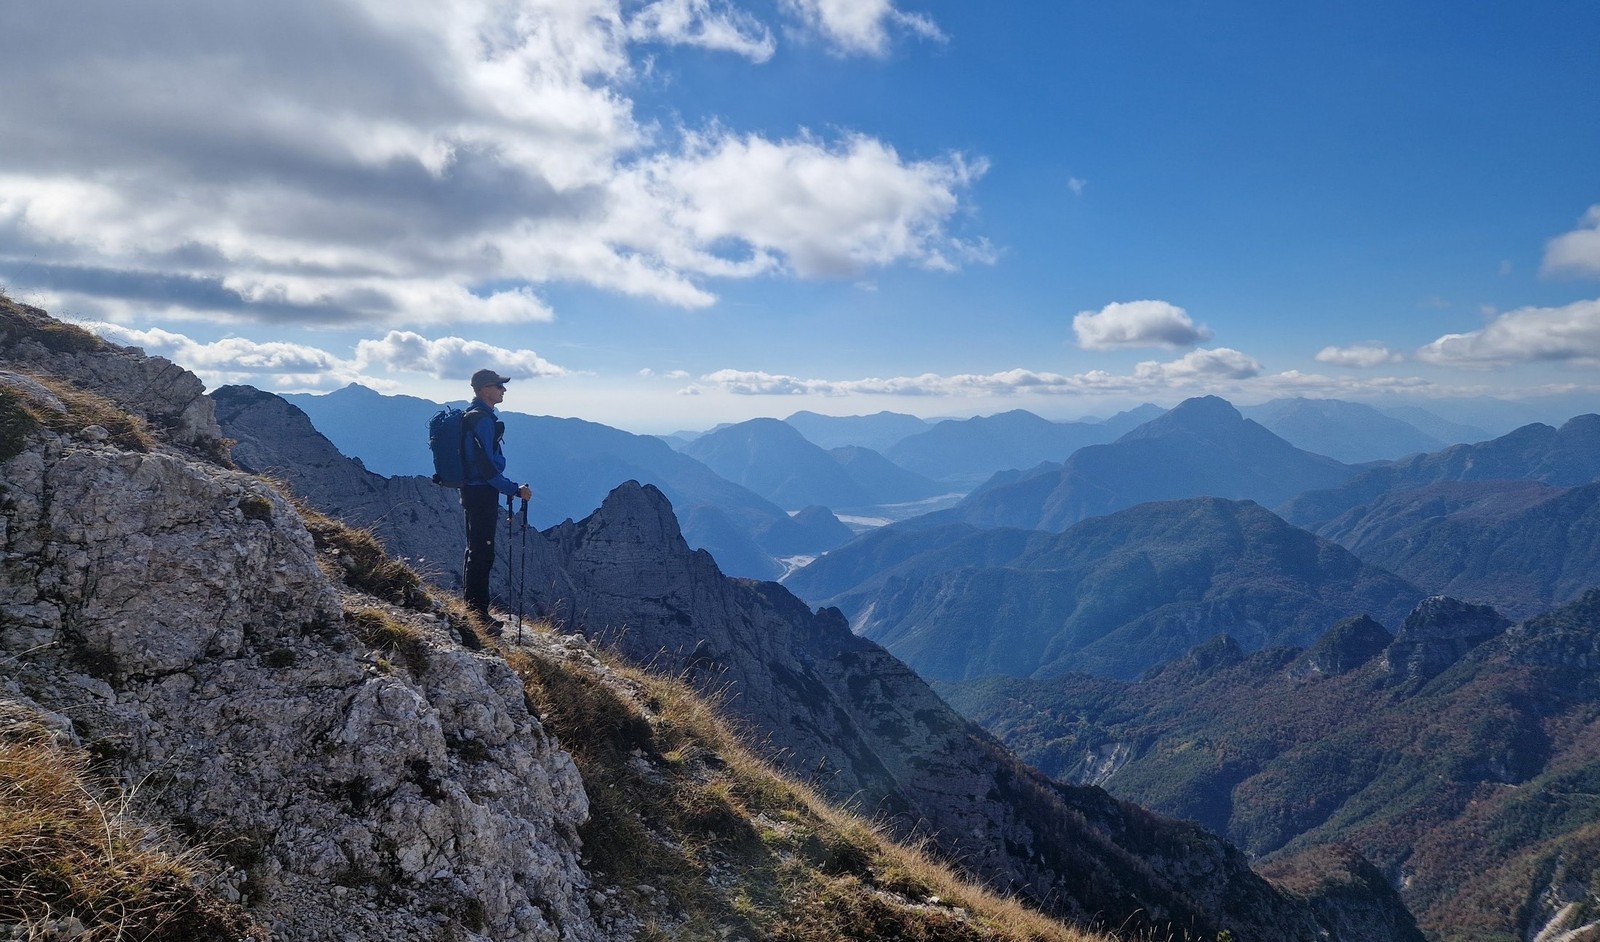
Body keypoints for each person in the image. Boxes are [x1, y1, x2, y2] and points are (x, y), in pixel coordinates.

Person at [460, 368, 532, 632]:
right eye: (499, 386)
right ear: (483, 389)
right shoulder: (481, 420)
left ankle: (474, 609)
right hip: (481, 493)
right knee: (483, 553)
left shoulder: (477, 417)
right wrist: (515, 490)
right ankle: (478, 615)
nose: (503, 390)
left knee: (476, 550)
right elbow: (488, 470)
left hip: (473, 491)